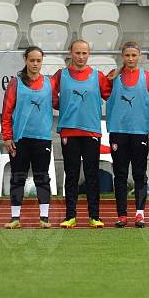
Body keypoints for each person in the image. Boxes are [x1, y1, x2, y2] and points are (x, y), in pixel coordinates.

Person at [52, 39, 112, 228]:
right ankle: (70, 216)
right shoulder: (61, 75)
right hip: (69, 130)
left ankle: (94, 216)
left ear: (89, 54)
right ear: (70, 53)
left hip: (91, 131)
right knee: (71, 174)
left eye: (84, 53)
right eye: (77, 53)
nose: (81, 57)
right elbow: (50, 95)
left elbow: (111, 93)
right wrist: (61, 106)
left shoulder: (97, 76)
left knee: (91, 174)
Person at [0, 46, 54, 229]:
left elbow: (60, 103)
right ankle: (15, 218)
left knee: (42, 177)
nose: (35, 64)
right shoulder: (15, 83)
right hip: (20, 139)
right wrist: (7, 137)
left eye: (38, 60)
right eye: (32, 60)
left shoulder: (49, 83)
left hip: (42, 138)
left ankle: (44, 218)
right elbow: (6, 112)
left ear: (42, 61)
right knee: (18, 177)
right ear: (25, 60)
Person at [106, 41, 149, 228]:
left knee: (139, 173)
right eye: (127, 55)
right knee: (120, 174)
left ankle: (140, 214)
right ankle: (122, 215)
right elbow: (101, 90)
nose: (130, 59)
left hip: (139, 131)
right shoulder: (113, 78)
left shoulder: (147, 77)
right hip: (118, 131)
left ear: (140, 57)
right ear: (122, 56)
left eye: (134, 55)